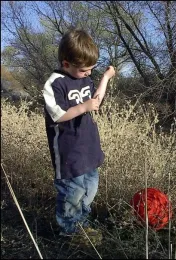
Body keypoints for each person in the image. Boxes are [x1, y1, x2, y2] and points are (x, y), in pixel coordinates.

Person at [43, 28, 115, 237]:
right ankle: (69, 232)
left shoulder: (84, 77)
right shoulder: (55, 83)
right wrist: (84, 107)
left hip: (89, 148)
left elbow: (95, 101)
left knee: (90, 189)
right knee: (72, 193)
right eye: (85, 70)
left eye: (91, 69)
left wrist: (106, 78)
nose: (88, 73)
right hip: (68, 153)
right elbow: (57, 115)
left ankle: (81, 223)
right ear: (66, 64)